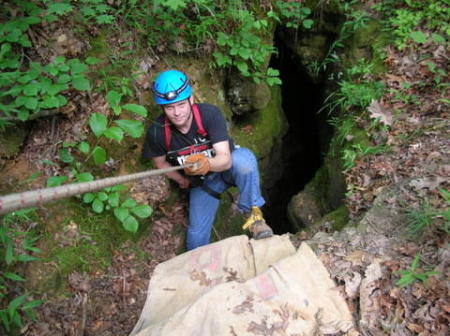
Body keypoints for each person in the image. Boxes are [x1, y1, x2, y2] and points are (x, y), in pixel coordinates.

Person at [142, 69, 273, 250]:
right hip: (202, 183)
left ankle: (253, 216)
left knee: (244, 162)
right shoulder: (157, 132)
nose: (176, 112)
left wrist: (205, 163)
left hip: (228, 169)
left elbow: (226, 159)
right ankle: (199, 272)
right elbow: (160, 164)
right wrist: (182, 180)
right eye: (169, 107)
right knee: (196, 239)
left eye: (181, 105)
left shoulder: (208, 114)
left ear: (191, 100)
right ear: (163, 108)